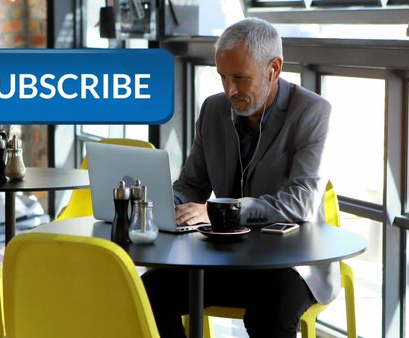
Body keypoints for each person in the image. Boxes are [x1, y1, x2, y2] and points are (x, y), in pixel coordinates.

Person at [141, 17, 337, 338]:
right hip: (225, 257)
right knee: (147, 293)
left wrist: (223, 209)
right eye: (222, 76)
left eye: (241, 78)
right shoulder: (213, 110)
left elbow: (300, 203)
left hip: (290, 263)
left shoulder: (313, 112)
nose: (229, 89)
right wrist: (165, 206)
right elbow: (192, 184)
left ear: (274, 68)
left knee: (268, 314)